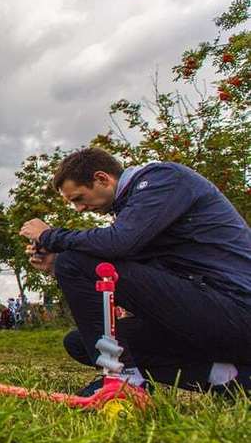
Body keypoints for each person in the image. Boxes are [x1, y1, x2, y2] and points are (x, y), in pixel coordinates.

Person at [21, 147, 251, 397]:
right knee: (81, 343)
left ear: (102, 178)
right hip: (209, 312)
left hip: (237, 308)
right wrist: (57, 266)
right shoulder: (138, 211)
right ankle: (226, 376)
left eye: (78, 198)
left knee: (74, 261)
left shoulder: (162, 180)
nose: (79, 209)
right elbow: (133, 272)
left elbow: (118, 242)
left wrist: (49, 235)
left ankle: (125, 380)